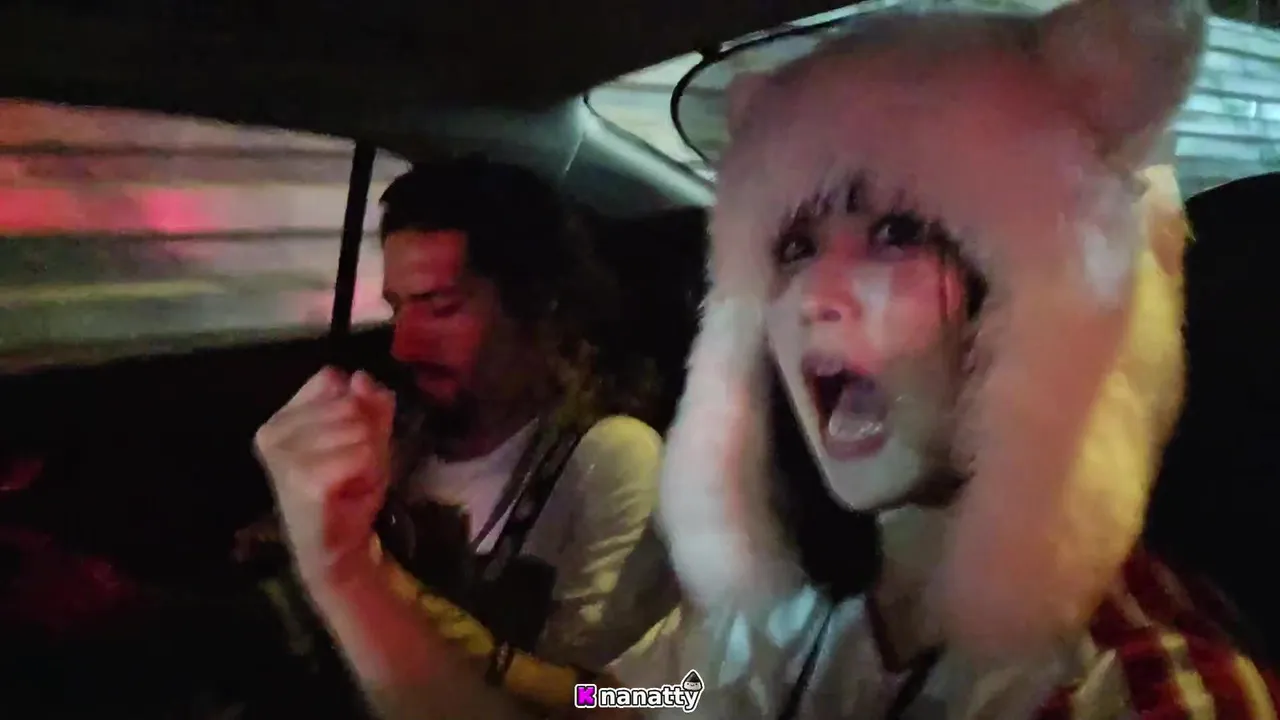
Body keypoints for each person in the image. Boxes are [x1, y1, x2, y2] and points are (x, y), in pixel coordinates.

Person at [615, 0, 1280, 718]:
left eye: (898, 232)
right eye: (795, 246)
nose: (811, 295)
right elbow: (641, 697)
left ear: (1045, 301)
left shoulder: (1138, 681)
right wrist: (556, 690)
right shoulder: (778, 611)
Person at [253, 158, 674, 719]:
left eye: (441, 308)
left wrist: (495, 660)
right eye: (398, 308)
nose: (402, 346)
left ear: (538, 304)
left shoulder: (610, 458)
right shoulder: (405, 432)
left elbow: (633, 701)